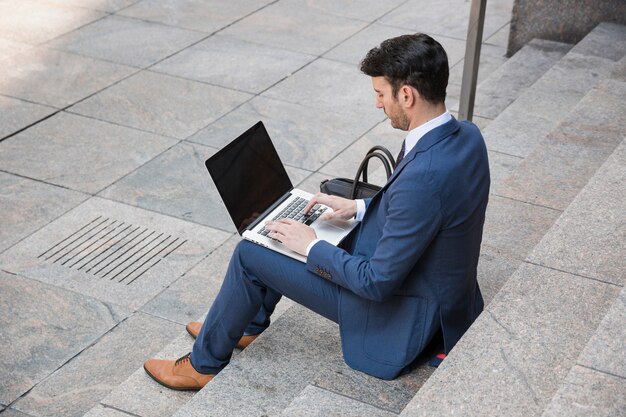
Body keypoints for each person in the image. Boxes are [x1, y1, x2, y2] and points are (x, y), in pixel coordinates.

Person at [143, 33, 490, 390]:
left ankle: (203, 365)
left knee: (251, 252)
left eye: (380, 94)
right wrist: (357, 208)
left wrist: (310, 246)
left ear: (407, 95)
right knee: (286, 230)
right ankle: (238, 324)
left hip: (399, 316)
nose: (377, 104)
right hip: (440, 298)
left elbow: (376, 282)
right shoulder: (466, 136)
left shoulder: (424, 174)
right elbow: (428, 210)